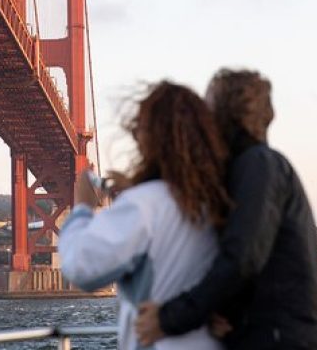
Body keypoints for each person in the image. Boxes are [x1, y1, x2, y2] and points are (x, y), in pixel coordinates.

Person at [134, 69, 317, 349]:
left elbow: (243, 257)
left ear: (226, 111)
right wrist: (227, 312)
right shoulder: (251, 168)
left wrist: (169, 319)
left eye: (209, 105)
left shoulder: (259, 166)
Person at [58, 81, 231, 350]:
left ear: (152, 139)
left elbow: (82, 268)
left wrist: (82, 208)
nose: (135, 136)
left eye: (139, 128)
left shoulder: (144, 205)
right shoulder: (221, 201)